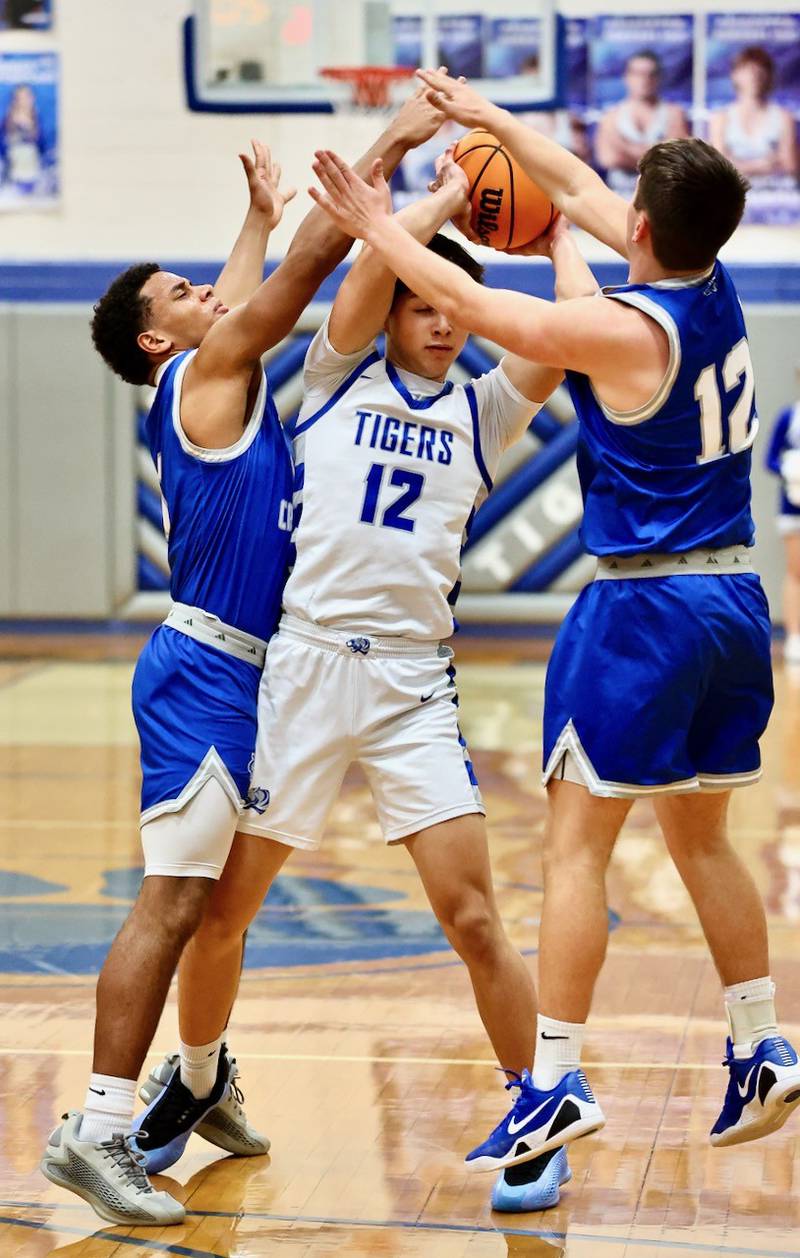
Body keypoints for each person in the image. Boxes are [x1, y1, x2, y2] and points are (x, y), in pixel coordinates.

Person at [309, 65, 800, 1174]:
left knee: (575, 849)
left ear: (642, 225)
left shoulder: (628, 331)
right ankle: (760, 1039)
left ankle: (554, 1080)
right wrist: (491, 123)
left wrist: (378, 228)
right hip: (733, 601)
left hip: (643, 607)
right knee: (701, 835)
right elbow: (574, 194)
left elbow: (498, 315)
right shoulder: (708, 287)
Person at [130, 151, 596, 1216]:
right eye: (421, 302)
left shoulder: (485, 412)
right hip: (301, 666)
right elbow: (357, 279)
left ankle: (536, 1108)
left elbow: (565, 336)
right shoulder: (338, 373)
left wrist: (558, 236)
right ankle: (196, 1077)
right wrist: (426, 207)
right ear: (389, 310)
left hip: (411, 687)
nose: (441, 322)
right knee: (222, 913)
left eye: (454, 309)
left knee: (473, 916)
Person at [39, 94, 446, 1228]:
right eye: (182, 292)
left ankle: (203, 1074)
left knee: (219, 900)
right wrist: (386, 151)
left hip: (257, 671)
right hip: (205, 672)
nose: (207, 291)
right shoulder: (209, 371)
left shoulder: (209, 367)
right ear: (158, 341)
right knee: (171, 903)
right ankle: (98, 1127)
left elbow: (240, 290)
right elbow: (303, 271)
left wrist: (256, 217)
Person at [595, 50, 689, 188]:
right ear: (627, 77)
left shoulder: (674, 114)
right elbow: (609, 158)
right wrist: (655, 154)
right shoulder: (611, 116)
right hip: (620, 194)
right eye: (638, 73)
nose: (644, 79)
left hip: (661, 194)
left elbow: (675, 159)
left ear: (659, 78)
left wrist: (624, 148)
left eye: (651, 74)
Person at [709, 46, 797, 179]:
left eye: (759, 70)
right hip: (733, 188)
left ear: (769, 76)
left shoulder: (784, 117)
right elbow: (718, 165)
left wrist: (737, 164)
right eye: (748, 70)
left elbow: (789, 165)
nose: (754, 76)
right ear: (735, 75)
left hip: (775, 189)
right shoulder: (720, 117)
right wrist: (761, 165)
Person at [765, 383, 800, 662]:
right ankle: (794, 638)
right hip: (793, 508)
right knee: (795, 571)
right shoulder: (789, 417)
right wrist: (789, 468)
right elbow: (770, 459)